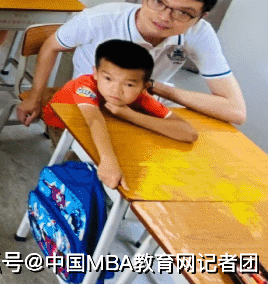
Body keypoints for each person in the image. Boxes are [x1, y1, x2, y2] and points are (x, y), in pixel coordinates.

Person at [17, 0, 246, 127]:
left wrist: (156, 88)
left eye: (183, 13)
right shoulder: (100, 18)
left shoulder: (200, 33)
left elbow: (235, 111)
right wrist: (35, 97)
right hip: (90, 100)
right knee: (88, 169)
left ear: (200, 17)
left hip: (146, 103)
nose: (165, 17)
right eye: (158, 2)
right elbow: (51, 46)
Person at [42, 39, 197, 189]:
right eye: (108, 78)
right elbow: (94, 120)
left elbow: (189, 133)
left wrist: (130, 115)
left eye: (129, 84)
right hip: (61, 124)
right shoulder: (85, 85)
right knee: (84, 170)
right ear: (95, 73)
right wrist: (108, 159)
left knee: (137, 163)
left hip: (107, 125)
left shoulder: (141, 96)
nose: (116, 90)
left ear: (145, 86)